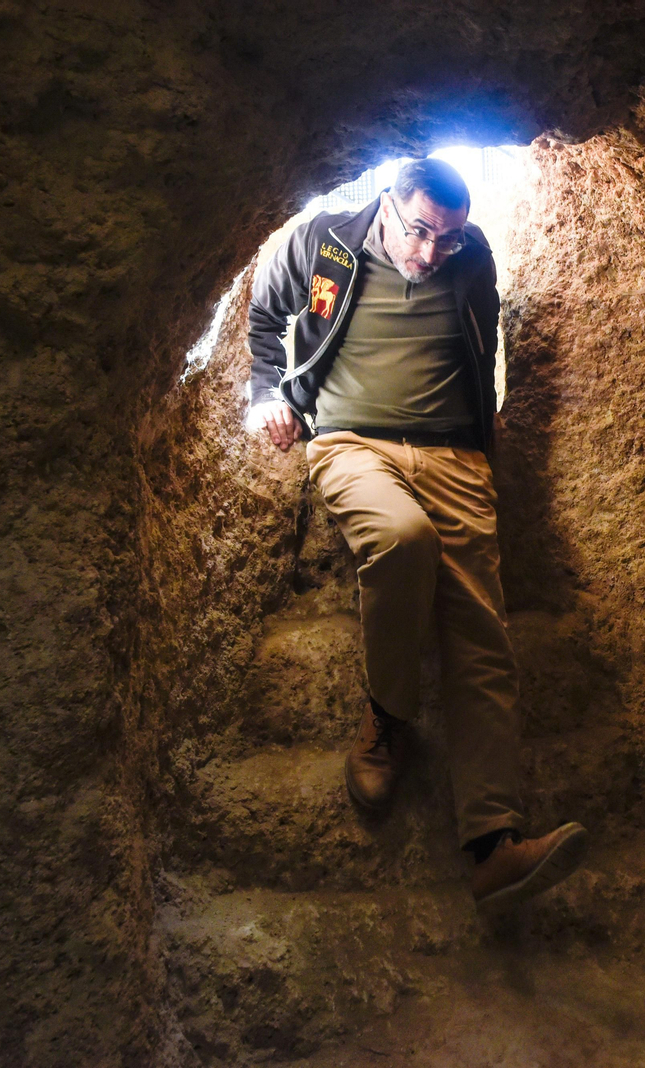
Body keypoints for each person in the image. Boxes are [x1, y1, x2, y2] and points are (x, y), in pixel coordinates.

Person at [245, 157, 586, 909]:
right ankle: (388, 716)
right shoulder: (323, 240)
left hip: (454, 453)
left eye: (449, 239)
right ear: (386, 206)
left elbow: (484, 330)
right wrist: (266, 395)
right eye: (420, 231)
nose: (432, 253)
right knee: (402, 539)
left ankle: (494, 844)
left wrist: (484, 413)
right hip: (350, 443)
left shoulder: (471, 256)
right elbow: (266, 317)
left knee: (481, 630)